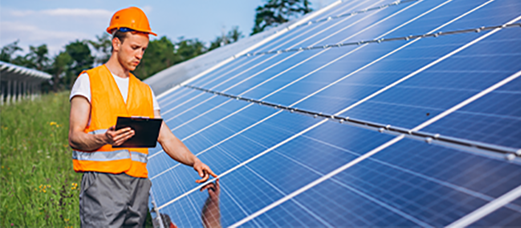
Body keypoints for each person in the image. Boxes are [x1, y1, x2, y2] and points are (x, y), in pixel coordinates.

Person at [68, 6, 217, 227]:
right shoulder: (89, 81)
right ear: (116, 43)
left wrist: (194, 161)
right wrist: (105, 139)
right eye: (135, 47)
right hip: (102, 183)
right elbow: (75, 136)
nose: (139, 55)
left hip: (139, 185)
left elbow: (166, 138)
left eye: (144, 49)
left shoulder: (145, 91)